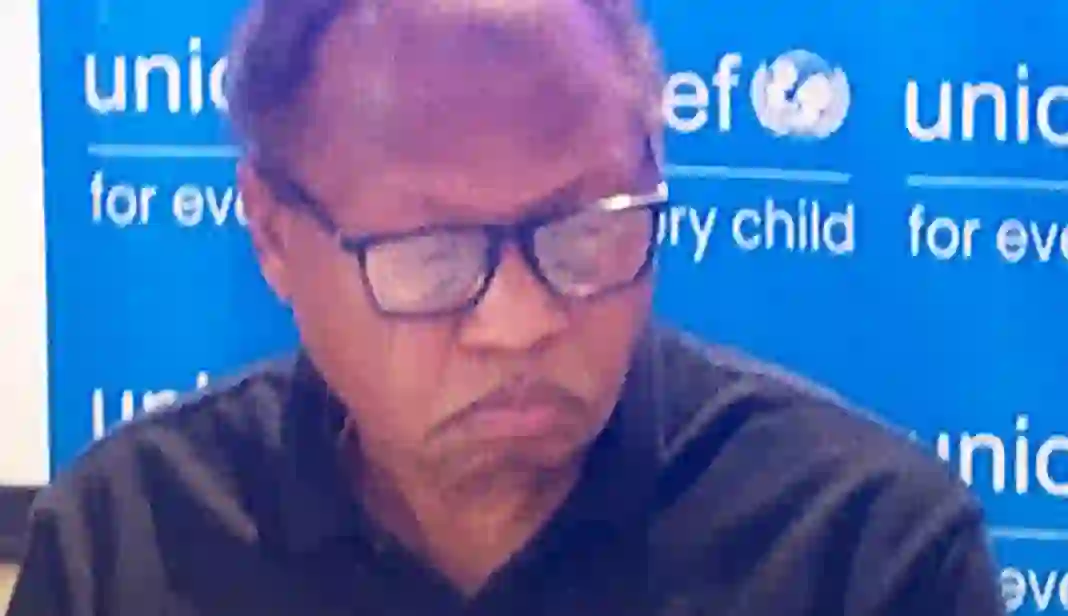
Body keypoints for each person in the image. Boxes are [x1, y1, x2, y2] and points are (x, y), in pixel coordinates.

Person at [7, 0, 1006, 614]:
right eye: (432, 254)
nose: (521, 323)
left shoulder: (861, 550)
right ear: (271, 234)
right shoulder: (128, 543)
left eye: (584, 230)